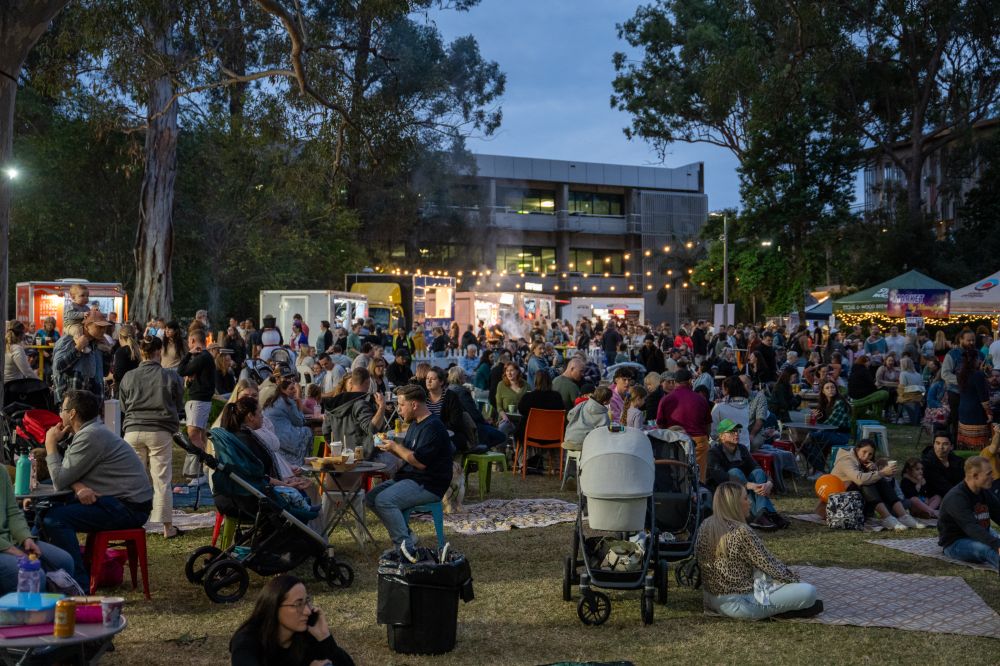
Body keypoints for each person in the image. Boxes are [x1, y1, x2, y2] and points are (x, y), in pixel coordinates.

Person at [42, 389, 153, 587]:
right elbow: (69, 475)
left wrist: (50, 444)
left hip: (128, 508)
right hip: (119, 501)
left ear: (73, 413)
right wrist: (77, 485)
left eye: (62, 409)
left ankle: (78, 581)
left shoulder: (90, 436)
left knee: (54, 519)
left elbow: (60, 480)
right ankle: (46, 574)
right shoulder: (91, 432)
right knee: (41, 510)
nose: (60, 414)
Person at [695, 481, 820, 620]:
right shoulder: (741, 531)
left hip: (711, 599)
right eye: (745, 498)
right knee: (809, 592)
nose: (750, 502)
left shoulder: (706, 525)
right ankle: (782, 611)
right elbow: (769, 565)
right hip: (740, 604)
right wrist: (795, 580)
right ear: (734, 504)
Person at [367, 385, 453, 559]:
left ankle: (405, 549)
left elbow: (419, 462)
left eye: (401, 405)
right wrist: (391, 450)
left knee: (384, 500)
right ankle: (409, 536)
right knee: (370, 498)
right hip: (412, 478)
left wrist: (396, 447)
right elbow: (406, 456)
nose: (398, 409)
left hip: (429, 483)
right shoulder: (415, 424)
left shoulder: (433, 427)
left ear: (414, 405)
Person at [118, 335, 185, 538]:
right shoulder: (170, 376)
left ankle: (132, 521)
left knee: (133, 479)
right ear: (159, 352)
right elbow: (178, 403)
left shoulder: (128, 377)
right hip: (159, 430)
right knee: (162, 478)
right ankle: (166, 527)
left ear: (141, 352)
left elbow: (123, 405)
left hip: (132, 430)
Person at [230, 574, 354, 666]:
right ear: (274, 607)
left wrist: (325, 638)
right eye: (298, 604)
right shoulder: (247, 640)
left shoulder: (305, 636)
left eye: (306, 602)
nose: (307, 611)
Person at [706, 420, 787, 530]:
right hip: (725, 492)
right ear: (721, 436)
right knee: (734, 471)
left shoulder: (742, 449)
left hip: (745, 490)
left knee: (757, 473)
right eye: (731, 432)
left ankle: (764, 514)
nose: (736, 434)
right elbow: (720, 477)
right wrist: (747, 484)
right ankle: (758, 515)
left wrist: (769, 482)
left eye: (737, 431)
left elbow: (757, 467)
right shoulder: (714, 452)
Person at [831, 439, 924, 531]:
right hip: (840, 499)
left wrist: (874, 470)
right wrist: (882, 472)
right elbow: (859, 479)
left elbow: (869, 477)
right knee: (867, 483)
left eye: (870, 454)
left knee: (878, 480)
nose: (866, 456)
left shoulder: (861, 461)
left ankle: (903, 516)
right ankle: (887, 517)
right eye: (864, 452)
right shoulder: (847, 459)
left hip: (853, 497)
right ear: (857, 449)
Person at [936, 456, 1000, 570]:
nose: (993, 477)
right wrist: (996, 544)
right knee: (989, 548)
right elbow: (971, 527)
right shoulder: (956, 497)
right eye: (989, 474)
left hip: (979, 533)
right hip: (956, 542)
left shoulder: (983, 492)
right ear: (975, 476)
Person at [656, 368, 711, 483]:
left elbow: (660, 425)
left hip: (675, 442)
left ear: (675, 382)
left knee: (677, 477)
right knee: (698, 479)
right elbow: (707, 425)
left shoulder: (666, 399)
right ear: (690, 381)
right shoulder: (700, 399)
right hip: (698, 442)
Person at [52, 310, 113, 403]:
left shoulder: (98, 344)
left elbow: (104, 373)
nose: (103, 330)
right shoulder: (68, 340)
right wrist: (78, 348)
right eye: (99, 327)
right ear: (87, 326)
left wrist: (107, 353)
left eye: (104, 327)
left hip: (93, 403)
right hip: (72, 404)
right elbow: (59, 367)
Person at [263, 378, 314, 468]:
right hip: (283, 437)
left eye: (295, 388)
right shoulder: (287, 401)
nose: (294, 391)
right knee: (307, 431)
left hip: (270, 435)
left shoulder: (272, 400)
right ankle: (304, 463)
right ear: (283, 390)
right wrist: (299, 402)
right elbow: (299, 422)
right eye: (291, 389)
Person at [514, 371, 565, 449]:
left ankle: (525, 458)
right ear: (550, 382)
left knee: (519, 428)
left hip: (531, 436)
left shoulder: (528, 397)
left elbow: (521, 410)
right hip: (553, 436)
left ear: (535, 382)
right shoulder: (557, 397)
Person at [956, 347, 991, 450]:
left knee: (966, 442)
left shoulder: (960, 374)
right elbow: (983, 397)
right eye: (978, 359)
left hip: (963, 409)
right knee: (979, 444)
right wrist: (989, 413)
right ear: (975, 360)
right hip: (976, 411)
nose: (980, 361)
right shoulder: (978, 375)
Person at [920, 429, 964, 507]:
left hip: (956, 494)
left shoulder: (958, 461)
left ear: (951, 447)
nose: (941, 447)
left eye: (945, 444)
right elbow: (941, 486)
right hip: (935, 498)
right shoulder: (927, 463)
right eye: (937, 443)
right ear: (933, 445)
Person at [563, 387, 612, 452]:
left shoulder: (583, 404)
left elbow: (569, 416)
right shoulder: (603, 415)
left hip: (569, 439)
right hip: (584, 443)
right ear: (606, 401)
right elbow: (604, 432)